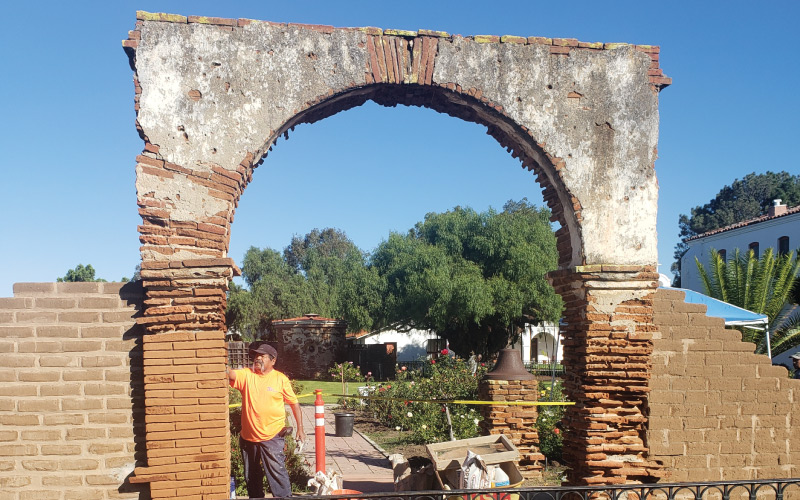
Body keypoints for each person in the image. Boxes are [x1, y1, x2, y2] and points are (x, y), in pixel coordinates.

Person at [228, 342, 306, 498]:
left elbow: (294, 404)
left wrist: (300, 428)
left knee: (277, 476)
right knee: (252, 478)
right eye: (256, 356)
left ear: (273, 360)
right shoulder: (247, 375)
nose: (258, 358)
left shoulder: (280, 379)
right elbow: (230, 374)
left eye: (262, 356)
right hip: (248, 438)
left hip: (272, 437)